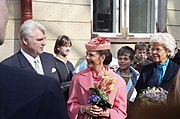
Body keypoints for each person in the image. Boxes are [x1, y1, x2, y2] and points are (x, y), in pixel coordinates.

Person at [0, 0, 68, 118]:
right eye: (39, 40)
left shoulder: (49, 59)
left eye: (44, 39)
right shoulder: (9, 65)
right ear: (25, 41)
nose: (44, 43)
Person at [67, 38, 127, 119]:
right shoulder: (77, 78)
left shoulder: (118, 81)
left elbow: (121, 112)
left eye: (91, 55)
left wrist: (106, 113)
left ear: (102, 57)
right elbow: (70, 106)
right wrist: (84, 109)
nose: (87, 57)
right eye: (87, 54)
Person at [54, 35, 75, 102]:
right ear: (58, 47)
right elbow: (54, 86)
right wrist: (70, 84)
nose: (68, 49)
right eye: (65, 46)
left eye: (69, 46)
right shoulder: (52, 63)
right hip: (58, 100)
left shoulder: (70, 64)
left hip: (70, 100)